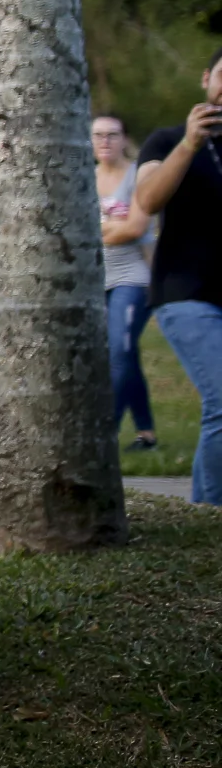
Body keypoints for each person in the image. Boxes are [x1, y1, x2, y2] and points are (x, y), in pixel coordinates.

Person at [131, 48, 222, 503]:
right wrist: (190, 144)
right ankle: (209, 511)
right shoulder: (167, 140)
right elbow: (146, 201)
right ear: (206, 78)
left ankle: (207, 512)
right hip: (185, 294)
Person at [94, 113, 159, 451]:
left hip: (134, 277)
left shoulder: (137, 176)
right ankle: (146, 433)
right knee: (125, 355)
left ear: (124, 139)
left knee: (119, 351)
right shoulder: (84, 178)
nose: (105, 141)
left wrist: (97, 230)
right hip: (95, 282)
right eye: (98, 135)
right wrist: (114, 230)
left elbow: (135, 229)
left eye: (113, 134)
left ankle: (104, 433)